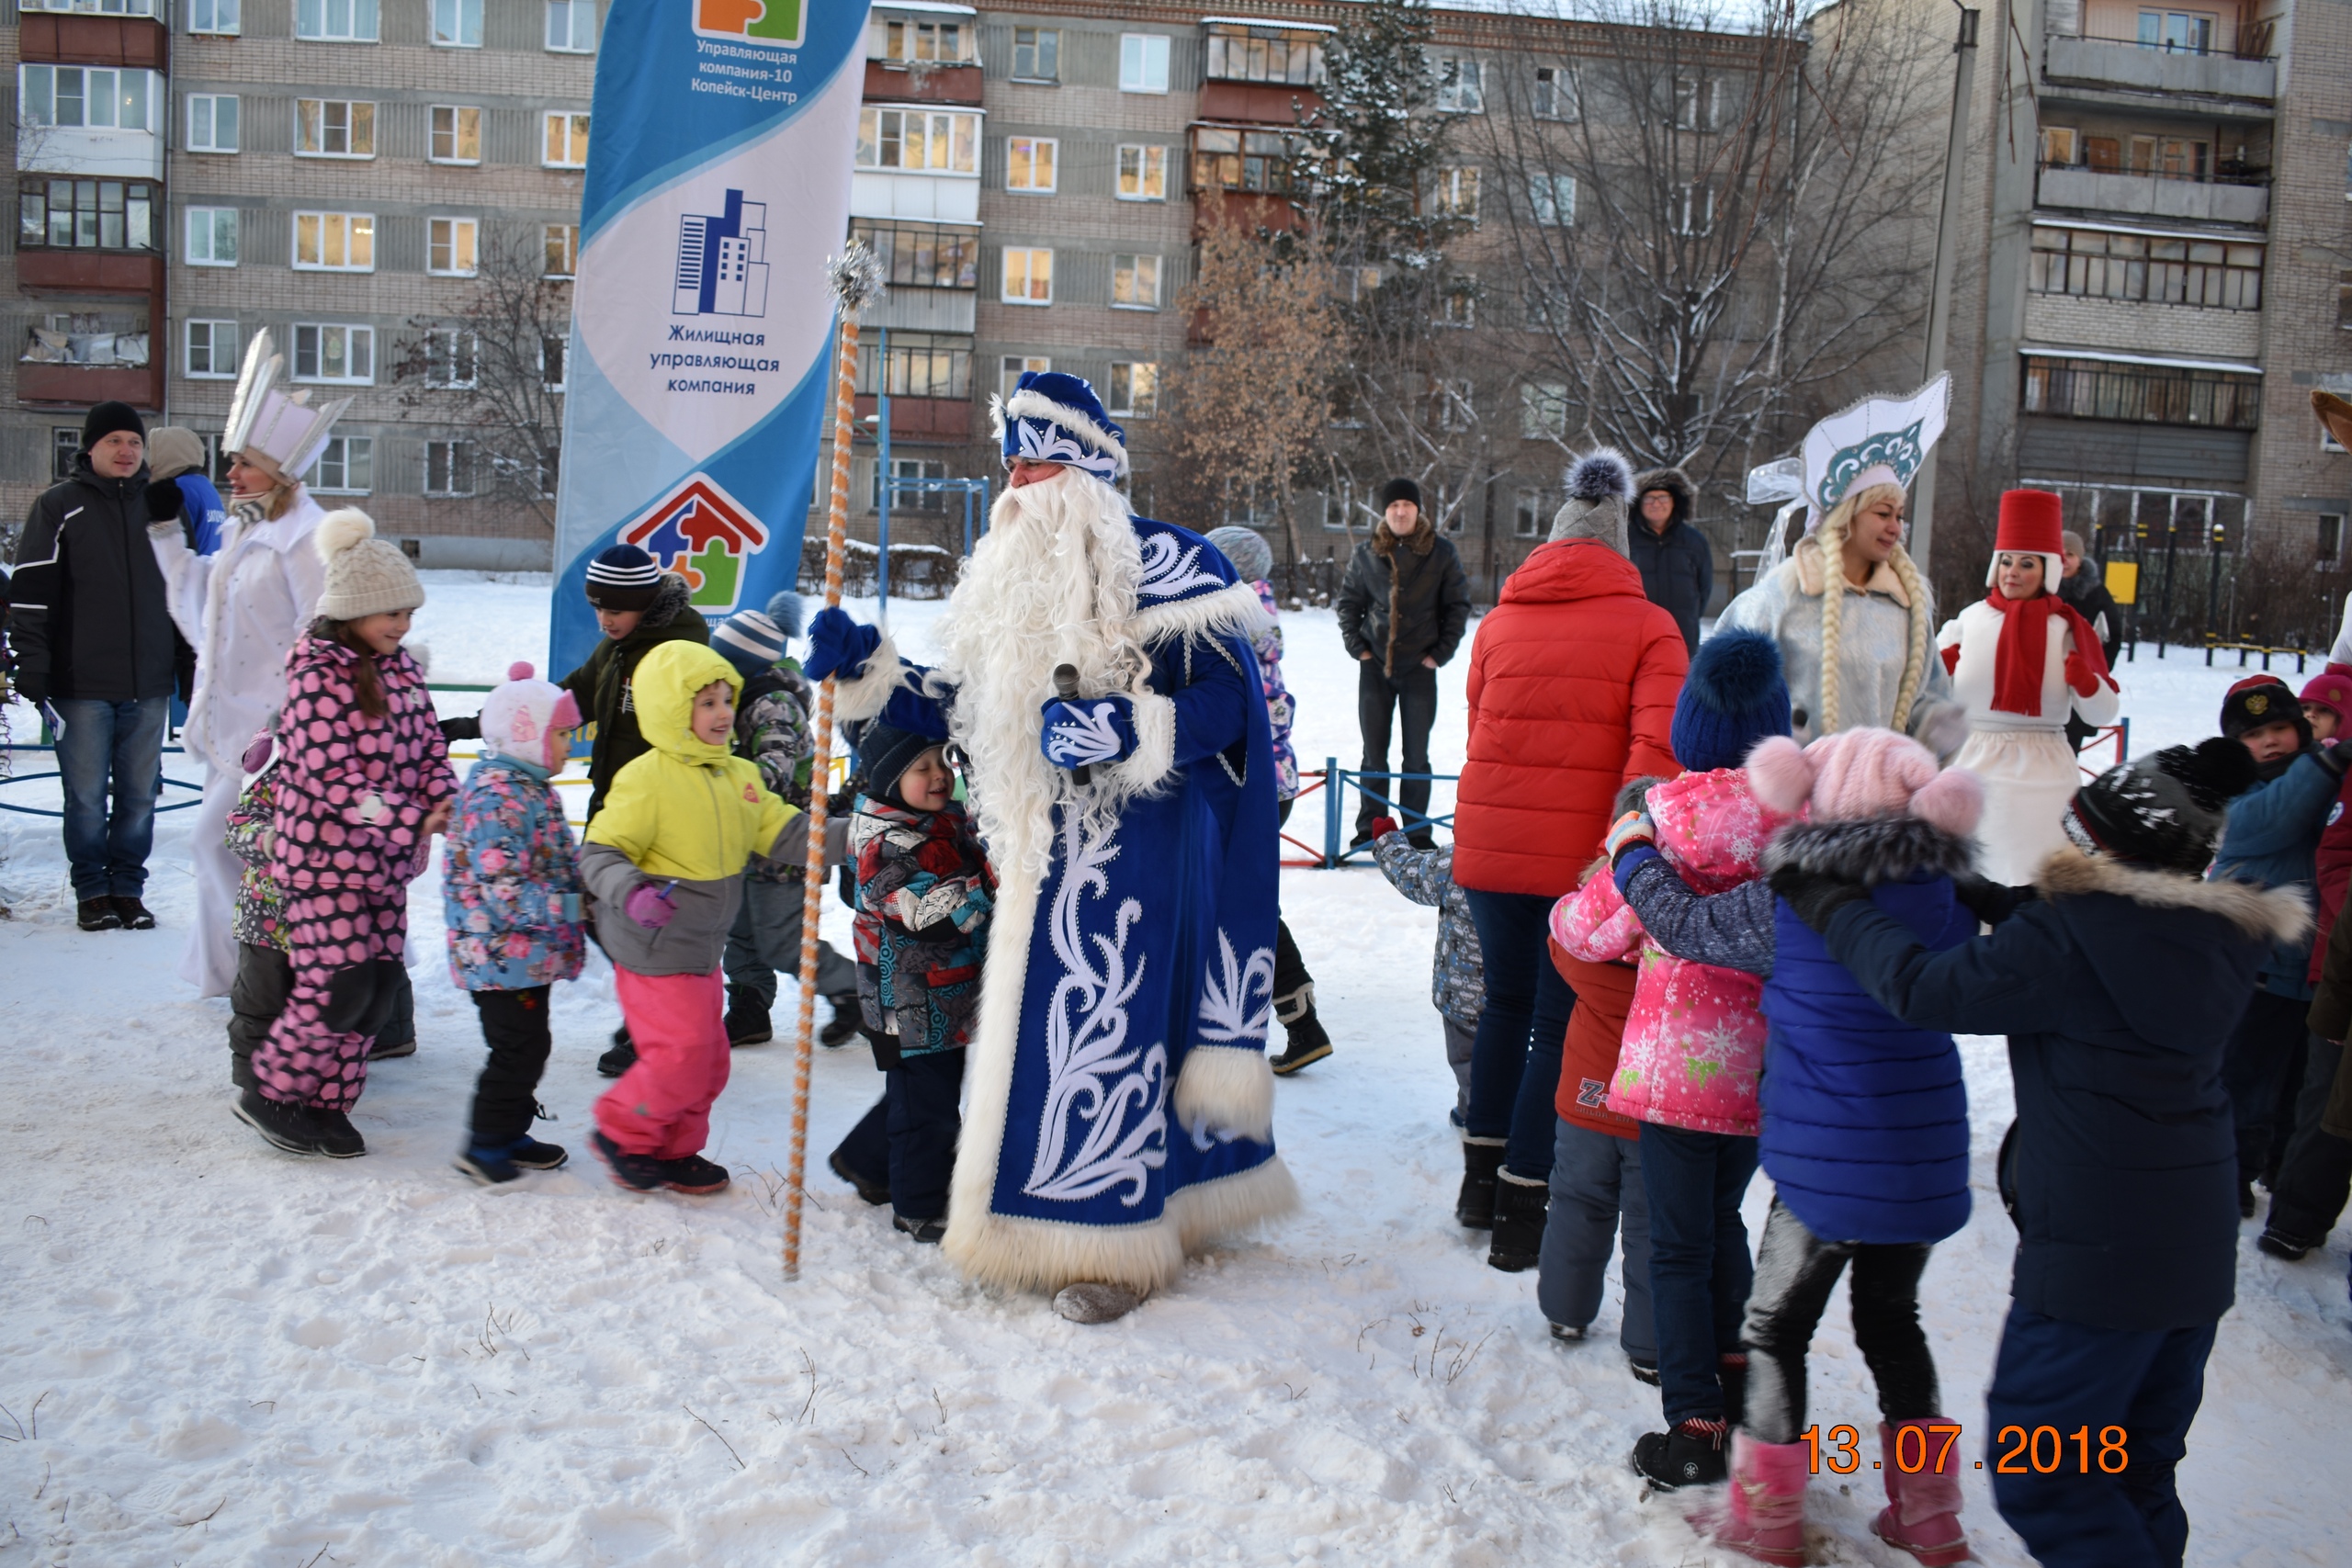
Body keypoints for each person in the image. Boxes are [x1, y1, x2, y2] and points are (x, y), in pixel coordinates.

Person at [805, 370, 1291, 1324]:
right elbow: (954, 707)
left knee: (1105, 1038)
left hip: (1137, 863)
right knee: (1029, 1043)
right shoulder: (1007, 588)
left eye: (1033, 467)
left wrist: (1128, 728)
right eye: (1009, 467)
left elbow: (1232, 707)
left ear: (1086, 475)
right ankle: (985, 1195)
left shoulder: (1176, 567)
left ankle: (1110, 1242)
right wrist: (868, 673)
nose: (1014, 489)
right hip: (1024, 861)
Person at [1776, 739, 2301, 1568]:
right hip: (2193, 1256)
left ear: (2109, 845)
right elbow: (2086, 929)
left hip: (2096, 1259)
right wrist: (1961, 881)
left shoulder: (2070, 941)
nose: (2067, 841)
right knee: (2132, 1470)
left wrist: (1831, 901)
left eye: (2081, 829)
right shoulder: (2210, 937)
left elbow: (1921, 987)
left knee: (2044, 1476)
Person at [1556, 629, 1793, 1491]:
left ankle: (1693, 1423)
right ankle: (1736, 1382)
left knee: (1675, 1247)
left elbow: (1588, 926)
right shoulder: (1795, 821)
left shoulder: (1664, 816)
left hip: (1673, 1073)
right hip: (1765, 1070)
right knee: (1726, 1224)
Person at [1449, 448, 1686, 1254]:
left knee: (1502, 1009)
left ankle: (1478, 1188)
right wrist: (1619, 845)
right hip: (1577, 862)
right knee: (1556, 1022)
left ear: (1548, 544)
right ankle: (1523, 1212)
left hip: (1490, 847)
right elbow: (1658, 749)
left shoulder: (1500, 621)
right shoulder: (1651, 625)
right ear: (1619, 545)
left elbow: (1479, 726)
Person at [233, 513, 454, 1159]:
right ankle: (272, 1091)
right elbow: (334, 778)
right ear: (353, 609)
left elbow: (428, 748)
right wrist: (410, 816)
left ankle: (329, 1105)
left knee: (379, 985)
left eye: (409, 612)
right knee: (340, 983)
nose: (402, 625)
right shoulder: (315, 674)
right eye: (390, 612)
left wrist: (443, 794)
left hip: (382, 864)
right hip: (322, 863)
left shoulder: (403, 671)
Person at [148, 329, 343, 996]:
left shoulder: (308, 538)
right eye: (232, 461)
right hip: (230, 729)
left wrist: (299, 724)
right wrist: (165, 535)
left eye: (244, 464)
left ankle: (264, 976)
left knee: (218, 842)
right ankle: (229, 973)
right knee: (223, 850)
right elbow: (204, 610)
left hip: (279, 735)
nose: (230, 475)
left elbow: (326, 633)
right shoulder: (244, 529)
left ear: (281, 471)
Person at [581, 640, 801, 1198]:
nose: (724, 712)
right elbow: (599, 853)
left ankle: (675, 1149)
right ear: (673, 709)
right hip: (653, 947)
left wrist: (855, 838)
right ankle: (623, 1132)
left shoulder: (737, 777)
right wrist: (631, 892)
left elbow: (785, 830)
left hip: (702, 951)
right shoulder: (646, 779)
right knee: (679, 1056)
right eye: (706, 702)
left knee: (709, 1062)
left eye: (727, 698)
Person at [8, 400, 191, 932]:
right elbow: (32, 594)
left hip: (149, 684)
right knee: (86, 798)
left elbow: (185, 591)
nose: (126, 450)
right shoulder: (58, 506)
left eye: (135, 442)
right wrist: (35, 664)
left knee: (139, 797)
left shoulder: (162, 507)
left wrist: (187, 661)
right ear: (90, 447)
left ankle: (128, 890)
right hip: (80, 684)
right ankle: (92, 890)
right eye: (114, 440)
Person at [1716, 381, 1962, 755]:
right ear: (1846, 518)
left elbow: (1927, 697)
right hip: (1790, 802)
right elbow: (1720, 695)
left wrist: (1939, 728)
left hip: (1879, 803)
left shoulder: (1907, 609)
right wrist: (1777, 746)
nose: (1895, 527)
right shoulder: (1776, 600)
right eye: (1882, 514)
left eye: (1899, 515)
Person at [827, 717, 996, 1242]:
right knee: (928, 1108)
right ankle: (918, 1204)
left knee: (921, 1095)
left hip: (943, 996)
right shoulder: (883, 844)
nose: (938, 776)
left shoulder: (943, 821)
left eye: (941, 762)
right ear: (885, 777)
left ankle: (867, 1162)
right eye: (920, 768)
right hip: (908, 1005)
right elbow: (925, 914)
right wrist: (990, 880)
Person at [555, 543, 714, 1078]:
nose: (604, 620)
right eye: (597, 608)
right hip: (615, 805)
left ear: (644, 602)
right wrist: (508, 718)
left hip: (658, 816)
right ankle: (656, 1019)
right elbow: (574, 694)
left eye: (614, 609)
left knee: (646, 922)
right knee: (601, 911)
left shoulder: (677, 651)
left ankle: (657, 1028)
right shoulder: (617, 649)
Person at [442, 662, 586, 1185]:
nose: (572, 744)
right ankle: (483, 1144)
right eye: (563, 734)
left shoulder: (527, 786)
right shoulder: (498, 798)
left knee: (529, 1045)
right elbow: (503, 893)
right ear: (526, 733)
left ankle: (510, 1131)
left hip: (520, 957)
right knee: (517, 1050)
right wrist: (573, 907)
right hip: (498, 955)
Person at [2208, 676, 2344, 1216]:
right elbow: (2270, 820)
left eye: (2281, 728)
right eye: (2254, 733)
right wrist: (2325, 765)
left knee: (2296, 1085)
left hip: (2313, 968)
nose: (2269, 742)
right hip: (2254, 966)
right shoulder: (2231, 789)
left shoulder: (2322, 776)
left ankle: (2283, 1168)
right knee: (2245, 1081)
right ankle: (2230, 1173)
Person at [1935, 490, 2120, 886]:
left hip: (2045, 768)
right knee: (1970, 874)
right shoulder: (1968, 620)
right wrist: (1938, 672)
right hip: (1973, 762)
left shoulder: (2070, 629)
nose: (2012, 571)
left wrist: (2087, 684)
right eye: (2006, 560)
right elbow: (1924, 691)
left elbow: (2103, 713)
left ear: (2048, 569)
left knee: (2039, 874)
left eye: (2026, 563)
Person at [708, 598, 859, 1051]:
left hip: (783, 843)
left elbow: (773, 765)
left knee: (781, 941)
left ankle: (850, 991)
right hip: (747, 842)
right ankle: (749, 1008)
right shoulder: (748, 699)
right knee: (740, 931)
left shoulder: (773, 704)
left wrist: (724, 788)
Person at [1208, 525, 1332, 1074]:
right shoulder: (1258, 620)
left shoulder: (1229, 620)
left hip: (1247, 784)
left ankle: (1300, 1022)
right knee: (1241, 898)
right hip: (1270, 783)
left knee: (1244, 902)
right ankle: (1292, 1018)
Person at [1541, 883, 1653, 1378]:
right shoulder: (1681, 963)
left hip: (1585, 1102)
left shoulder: (1579, 949)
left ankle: (1565, 1314)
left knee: (1576, 1207)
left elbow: (1557, 934)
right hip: (1656, 1109)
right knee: (1655, 1230)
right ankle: (1651, 1343)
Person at [1336, 476, 1471, 850]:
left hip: (1419, 669)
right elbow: (1348, 604)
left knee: (1416, 756)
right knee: (1373, 754)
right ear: (1385, 511)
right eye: (1393, 506)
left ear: (1417, 510)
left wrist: (1439, 654)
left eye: (1406, 506)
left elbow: (1458, 606)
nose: (1400, 512)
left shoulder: (1440, 553)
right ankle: (1372, 830)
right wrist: (1358, 648)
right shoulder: (1367, 553)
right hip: (1374, 668)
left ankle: (1417, 831)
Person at [1367, 815, 1485, 1125]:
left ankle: (1479, 1117)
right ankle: (1486, 1109)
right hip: (1521, 991)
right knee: (1511, 1056)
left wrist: (1388, 840)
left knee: (1468, 1060)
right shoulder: (1540, 862)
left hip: (1462, 995)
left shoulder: (1460, 858)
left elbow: (1413, 876)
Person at [222, 724, 292, 1095]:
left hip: (329, 920)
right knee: (258, 1005)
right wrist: (268, 839)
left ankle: (305, 1081)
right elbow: (240, 822)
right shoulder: (276, 758)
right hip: (265, 915)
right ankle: (253, 1086)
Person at [1627, 466, 1713, 653]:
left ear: (1675, 502)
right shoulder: (1625, 540)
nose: (1656, 504)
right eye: (1649, 498)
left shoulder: (1694, 541)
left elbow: (1704, 588)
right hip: (1634, 635)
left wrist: (1689, 618)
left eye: (1663, 497)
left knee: (1679, 682)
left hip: (1682, 636)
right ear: (1638, 503)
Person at [145, 426, 230, 557]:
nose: (149, 461)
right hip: (207, 570)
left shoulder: (177, 489)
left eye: (152, 452)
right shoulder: (207, 487)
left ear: (166, 453)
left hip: (185, 572)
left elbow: (170, 543)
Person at [2057, 529, 2120, 666]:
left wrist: (2098, 670)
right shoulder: (2042, 589)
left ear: (2079, 559)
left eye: (2070, 554)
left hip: (2082, 672)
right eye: (2059, 555)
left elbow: (2113, 634)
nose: (2064, 561)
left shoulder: (2096, 593)